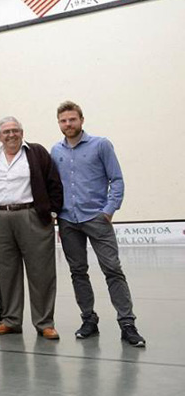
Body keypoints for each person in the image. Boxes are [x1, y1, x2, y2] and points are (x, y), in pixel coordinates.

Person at [51, 101, 145, 346]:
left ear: (81, 120)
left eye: (72, 119)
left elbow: (117, 179)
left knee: (112, 270)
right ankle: (88, 319)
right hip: (68, 221)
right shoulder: (56, 151)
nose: (68, 124)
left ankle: (127, 324)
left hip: (96, 218)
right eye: (63, 120)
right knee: (78, 272)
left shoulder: (101, 145)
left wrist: (108, 211)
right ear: (59, 123)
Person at [0, 117, 62, 339]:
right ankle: (11, 320)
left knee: (41, 272)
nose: (11, 135)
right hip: (1, 218)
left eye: (15, 130)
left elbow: (54, 183)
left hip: (31, 216)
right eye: (6, 132)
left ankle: (44, 323)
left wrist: (51, 213)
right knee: (7, 272)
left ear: (22, 132)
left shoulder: (36, 153)